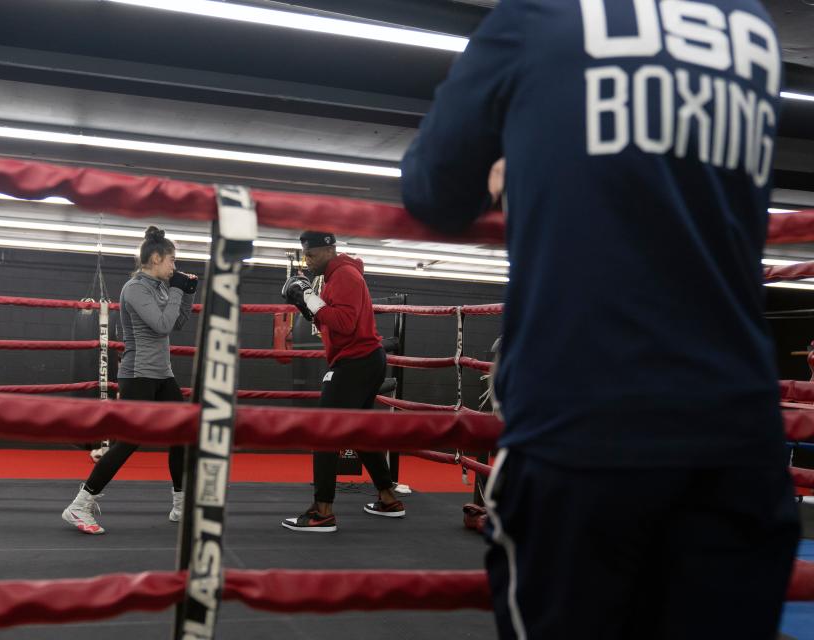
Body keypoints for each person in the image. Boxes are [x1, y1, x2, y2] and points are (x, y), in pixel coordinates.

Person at [401, 1, 799, 638]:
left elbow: (433, 189)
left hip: (584, 431)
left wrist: (519, 170)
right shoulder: (752, 25)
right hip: (739, 438)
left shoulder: (541, 12)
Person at [62, 226, 197, 535]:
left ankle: (180, 504)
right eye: (172, 261)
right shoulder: (134, 289)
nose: (175, 267)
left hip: (162, 375)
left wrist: (186, 294)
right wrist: (177, 289)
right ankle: (79, 505)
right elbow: (161, 325)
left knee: (184, 434)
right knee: (130, 441)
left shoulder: (161, 287)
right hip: (138, 375)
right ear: (156, 258)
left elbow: (177, 322)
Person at [279, 231, 403, 532]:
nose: (308, 262)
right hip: (363, 359)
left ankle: (322, 512)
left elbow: (345, 324)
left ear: (330, 250)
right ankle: (388, 497)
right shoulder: (337, 277)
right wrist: (307, 303)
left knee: (324, 430)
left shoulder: (345, 275)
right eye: (305, 256)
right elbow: (329, 319)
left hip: (355, 360)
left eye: (313, 255)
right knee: (358, 432)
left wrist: (308, 296)